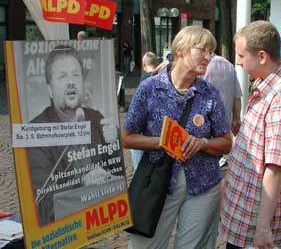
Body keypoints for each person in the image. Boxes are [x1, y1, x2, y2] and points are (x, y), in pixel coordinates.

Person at [122, 25, 232, 249]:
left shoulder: (210, 93)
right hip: (158, 183)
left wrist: (202, 143)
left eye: (211, 52)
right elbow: (127, 137)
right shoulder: (149, 88)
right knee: (146, 245)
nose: (209, 57)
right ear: (181, 49)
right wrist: (163, 141)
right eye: (203, 50)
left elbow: (226, 142)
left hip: (203, 186)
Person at [220, 21, 281, 249]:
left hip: (253, 226)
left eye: (241, 55)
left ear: (262, 56)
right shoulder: (266, 85)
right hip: (244, 215)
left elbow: (275, 168)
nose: (238, 62)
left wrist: (262, 228)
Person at [27, 46, 120, 226]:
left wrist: (114, 143)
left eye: (75, 75)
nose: (71, 82)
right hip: (63, 230)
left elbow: (117, 174)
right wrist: (82, 184)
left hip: (98, 221)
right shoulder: (36, 131)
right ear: (49, 89)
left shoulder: (96, 117)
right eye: (62, 76)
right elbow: (43, 204)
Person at [201, 53, 242, 167]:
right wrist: (236, 118)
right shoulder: (228, 65)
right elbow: (237, 96)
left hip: (203, 128)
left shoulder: (200, 65)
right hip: (223, 130)